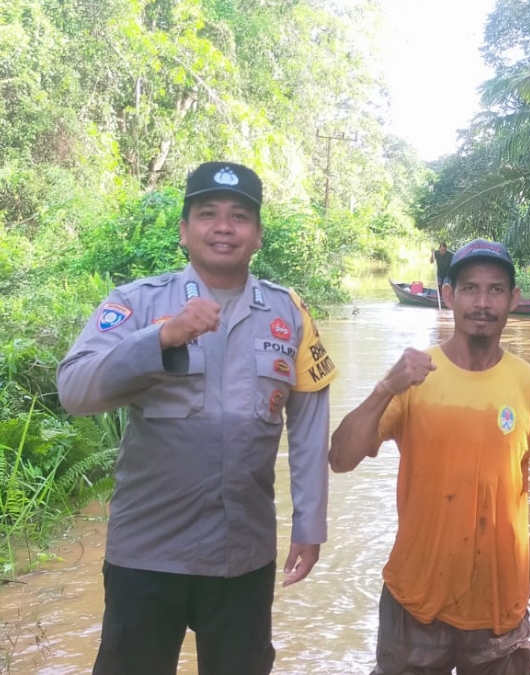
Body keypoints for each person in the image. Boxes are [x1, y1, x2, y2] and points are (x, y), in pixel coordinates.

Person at [57, 161, 338, 675]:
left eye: (239, 216)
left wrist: (309, 523)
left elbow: (308, 424)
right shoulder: (137, 303)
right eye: (207, 214)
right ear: (185, 232)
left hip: (243, 556)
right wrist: (160, 340)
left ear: (257, 235)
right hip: (146, 553)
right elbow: (75, 390)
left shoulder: (289, 312)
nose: (223, 227)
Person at [330, 238, 530, 675]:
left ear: (514, 300)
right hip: (414, 601)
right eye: (470, 289)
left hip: (498, 604)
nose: (482, 303)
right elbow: (340, 457)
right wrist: (384, 389)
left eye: (495, 290)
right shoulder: (414, 377)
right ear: (448, 296)